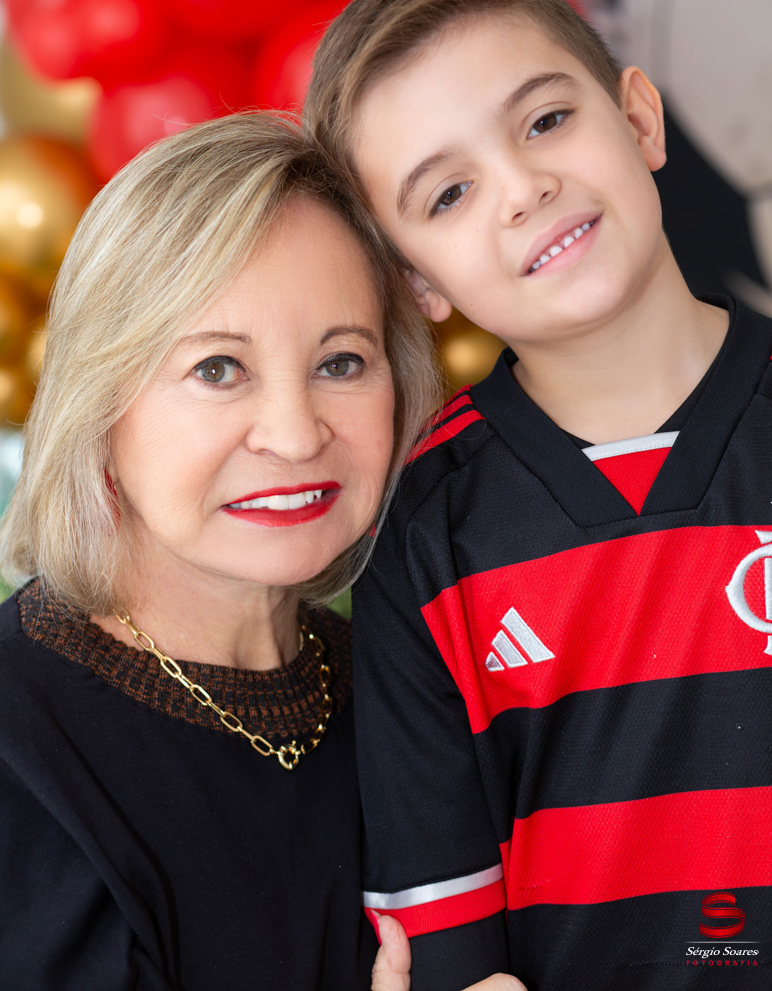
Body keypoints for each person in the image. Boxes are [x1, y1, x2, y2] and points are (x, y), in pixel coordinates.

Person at [304, 0, 772, 990]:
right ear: (415, 282)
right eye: (449, 192)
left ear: (639, 120)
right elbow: (443, 927)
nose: (524, 188)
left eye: (544, 121)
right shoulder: (422, 535)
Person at [0, 112, 443, 991]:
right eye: (217, 369)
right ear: (100, 404)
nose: (295, 435)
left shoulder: (413, 694)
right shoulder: (19, 749)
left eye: (342, 362)